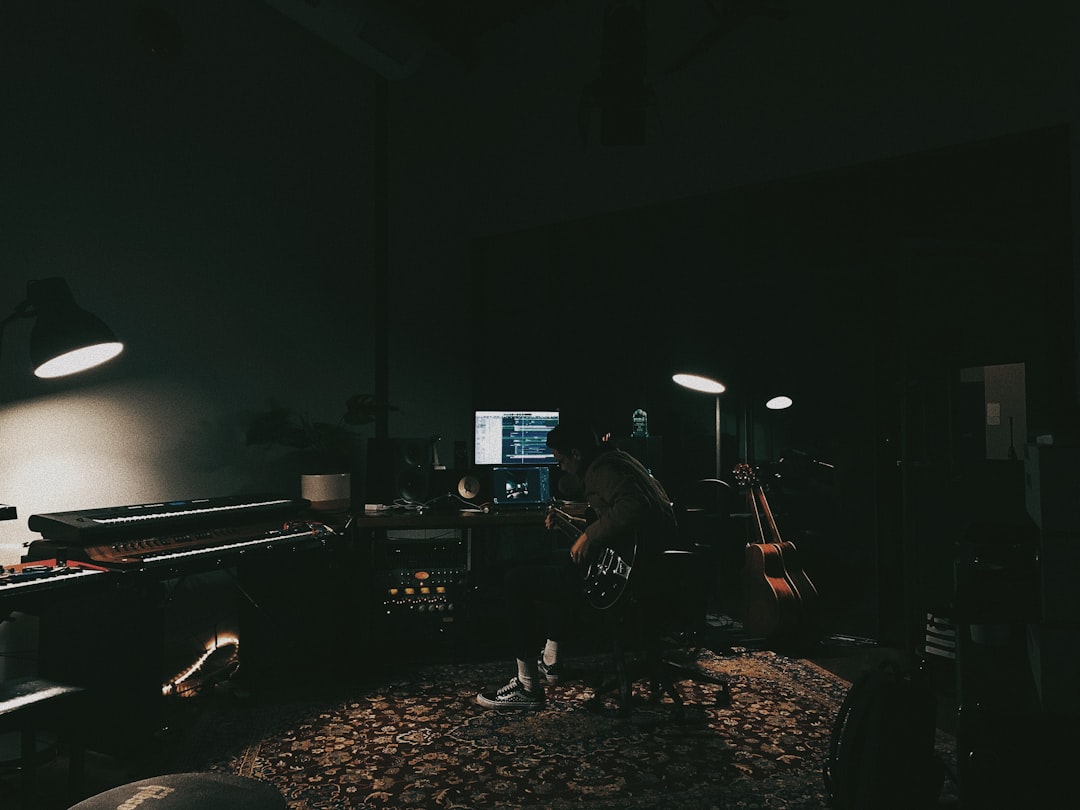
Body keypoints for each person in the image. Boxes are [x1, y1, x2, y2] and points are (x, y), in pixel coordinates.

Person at [476, 417, 679, 710]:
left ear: (576, 454)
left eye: (561, 460)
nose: (561, 468)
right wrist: (569, 522)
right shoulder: (621, 460)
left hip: (626, 580)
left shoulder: (601, 470)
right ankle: (551, 661)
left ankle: (527, 686)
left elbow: (633, 506)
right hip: (649, 571)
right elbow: (618, 524)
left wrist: (588, 537)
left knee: (515, 580)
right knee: (560, 561)